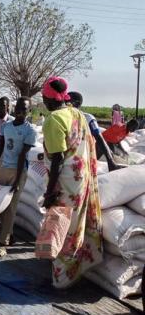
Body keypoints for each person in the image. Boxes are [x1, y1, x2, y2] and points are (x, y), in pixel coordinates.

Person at [41, 76, 103, 288]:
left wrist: (49, 192)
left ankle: (62, 280)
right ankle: (76, 271)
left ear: (48, 97)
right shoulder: (77, 114)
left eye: (43, 97)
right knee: (75, 226)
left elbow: (57, 158)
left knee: (63, 228)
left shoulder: (54, 119)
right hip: (80, 181)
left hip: (64, 184)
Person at [0, 97, 37, 259]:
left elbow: (22, 155)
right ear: (14, 108)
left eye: (24, 109)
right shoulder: (6, 127)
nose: (21, 111)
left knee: (10, 207)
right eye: (19, 108)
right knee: (1, 206)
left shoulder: (30, 131)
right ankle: (8, 235)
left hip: (19, 171)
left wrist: (18, 179)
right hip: (5, 169)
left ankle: (2, 245)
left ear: (29, 111)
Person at [68, 91, 123, 171]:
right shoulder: (62, 118)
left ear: (76, 103)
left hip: (81, 159)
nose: (64, 104)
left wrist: (111, 162)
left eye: (67, 102)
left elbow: (100, 139)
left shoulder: (88, 118)